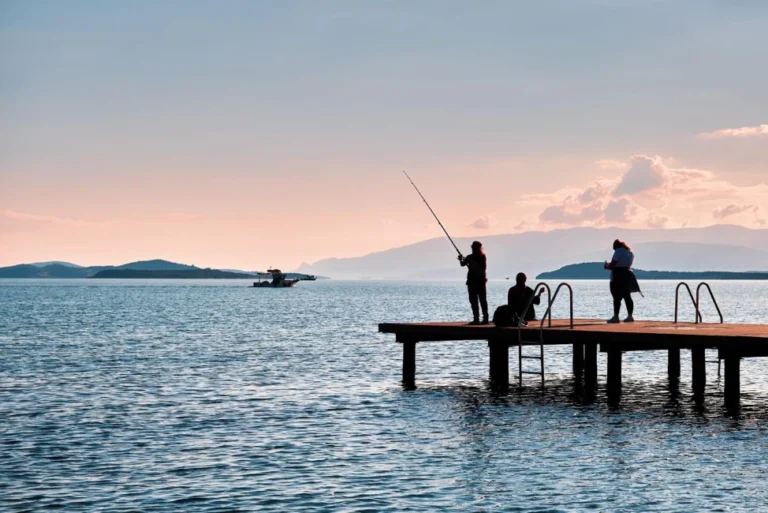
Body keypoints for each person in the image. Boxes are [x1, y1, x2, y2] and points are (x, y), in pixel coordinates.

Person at [604, 239, 641, 323]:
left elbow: (613, 264)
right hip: (627, 275)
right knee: (627, 296)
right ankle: (630, 316)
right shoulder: (630, 253)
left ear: (615, 246)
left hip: (617, 276)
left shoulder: (618, 251)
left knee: (616, 297)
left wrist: (607, 266)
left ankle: (616, 317)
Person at [459, 241, 488, 325]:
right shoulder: (479, 257)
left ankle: (479, 319)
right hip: (478, 281)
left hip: (476, 282)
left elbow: (462, 264)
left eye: (473, 247)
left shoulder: (476, 257)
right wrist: (462, 259)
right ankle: (481, 319)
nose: (472, 249)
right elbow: (463, 264)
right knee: (478, 301)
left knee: (478, 300)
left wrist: (464, 260)